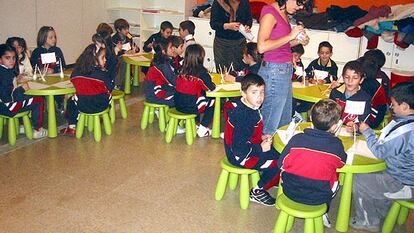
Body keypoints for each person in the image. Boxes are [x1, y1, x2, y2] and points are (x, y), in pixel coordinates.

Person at [350, 82, 414, 232]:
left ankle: (367, 221)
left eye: (393, 104)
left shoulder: (405, 131)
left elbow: (380, 151)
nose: (391, 108)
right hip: (403, 175)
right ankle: (380, 210)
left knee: (360, 180)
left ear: (404, 106)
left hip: (404, 183)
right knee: (372, 174)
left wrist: (367, 131)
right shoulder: (406, 122)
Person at [278, 99, 347, 227]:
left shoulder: (297, 139)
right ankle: (324, 211)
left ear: (310, 118)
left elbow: (281, 163)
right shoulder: (337, 145)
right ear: (336, 125)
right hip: (319, 197)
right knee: (335, 180)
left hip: (289, 190)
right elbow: (342, 163)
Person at [224, 74, 280, 206]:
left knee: (276, 151)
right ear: (243, 93)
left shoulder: (248, 107)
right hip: (241, 156)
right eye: (254, 92)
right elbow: (239, 149)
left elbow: (246, 135)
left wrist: (261, 137)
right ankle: (257, 191)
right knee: (281, 160)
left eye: (262, 92)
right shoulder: (246, 116)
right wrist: (260, 148)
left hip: (243, 149)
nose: (259, 97)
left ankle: (269, 176)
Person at [257, 0, 309, 137]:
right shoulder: (270, 13)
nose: (300, 7)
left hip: (283, 70)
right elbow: (262, 46)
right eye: (299, 3)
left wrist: (298, 40)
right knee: (271, 122)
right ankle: (266, 153)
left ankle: (277, 154)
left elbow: (282, 45)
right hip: (274, 71)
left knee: (284, 120)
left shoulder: (283, 13)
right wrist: (290, 35)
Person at [60, 44, 112, 135]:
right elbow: (110, 88)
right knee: (106, 95)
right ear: (94, 60)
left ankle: (72, 125)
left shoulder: (76, 72)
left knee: (71, 100)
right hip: (101, 105)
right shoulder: (102, 74)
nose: (105, 60)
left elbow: (74, 83)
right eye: (103, 57)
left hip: (82, 105)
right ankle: (100, 117)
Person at [0, 44, 47, 139]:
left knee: (24, 98)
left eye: (13, 58)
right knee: (38, 100)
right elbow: (8, 96)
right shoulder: (6, 75)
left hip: (2, 106)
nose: (12, 61)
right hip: (8, 107)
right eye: (7, 58)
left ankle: (22, 125)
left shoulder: (4, 71)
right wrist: (21, 89)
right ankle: (38, 129)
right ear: (0, 60)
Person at [175, 44, 215, 137]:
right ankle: (202, 128)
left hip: (177, 104)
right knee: (213, 101)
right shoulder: (201, 72)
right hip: (191, 107)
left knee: (194, 96)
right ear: (201, 58)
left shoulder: (181, 70)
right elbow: (210, 88)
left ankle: (194, 124)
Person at [210, 0, 253, 71]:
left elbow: (249, 19)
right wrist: (227, 26)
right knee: (222, 71)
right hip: (222, 43)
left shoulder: (244, 2)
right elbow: (213, 24)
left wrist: (247, 26)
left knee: (238, 70)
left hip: (240, 43)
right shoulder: (219, 2)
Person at [329, 60, 371, 132]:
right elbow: (328, 115)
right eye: (347, 77)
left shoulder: (365, 98)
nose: (350, 81)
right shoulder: (335, 93)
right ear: (342, 77)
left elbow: (364, 122)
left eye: (355, 78)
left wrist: (356, 127)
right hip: (334, 131)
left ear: (361, 80)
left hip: (353, 135)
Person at [144, 39, 176, 107]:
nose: (173, 49)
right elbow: (171, 80)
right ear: (164, 51)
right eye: (171, 47)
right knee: (181, 99)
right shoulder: (162, 64)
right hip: (155, 95)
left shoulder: (162, 61)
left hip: (159, 89)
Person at [359, 56, 388, 129]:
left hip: (370, 121)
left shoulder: (367, 84)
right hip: (377, 117)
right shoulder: (372, 81)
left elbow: (358, 102)